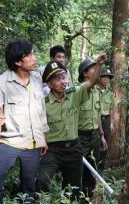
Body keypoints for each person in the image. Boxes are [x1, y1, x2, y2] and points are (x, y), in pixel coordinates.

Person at [36, 52, 107, 201]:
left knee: (73, 189)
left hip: (74, 148)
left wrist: (98, 64)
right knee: (42, 180)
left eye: (63, 77)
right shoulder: (43, 103)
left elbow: (91, 82)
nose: (62, 82)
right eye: (57, 79)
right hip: (52, 149)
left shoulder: (74, 94)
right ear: (48, 84)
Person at [0, 39, 49, 203]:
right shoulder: (4, 81)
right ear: (17, 61)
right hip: (10, 141)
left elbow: (41, 111)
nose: (34, 58)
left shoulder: (36, 79)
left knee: (28, 187)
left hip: (33, 143)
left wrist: (43, 138)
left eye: (33, 53)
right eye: (29, 55)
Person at [77, 59, 108, 198]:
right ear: (85, 73)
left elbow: (97, 115)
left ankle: (88, 198)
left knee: (93, 169)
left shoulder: (96, 91)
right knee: (78, 170)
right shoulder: (79, 91)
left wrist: (101, 136)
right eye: (92, 69)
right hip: (80, 136)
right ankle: (75, 198)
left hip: (94, 136)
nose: (97, 72)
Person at [97, 67, 115, 176]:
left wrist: (112, 122)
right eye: (103, 76)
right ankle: (93, 167)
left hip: (106, 119)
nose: (106, 79)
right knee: (96, 142)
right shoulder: (94, 90)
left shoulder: (110, 92)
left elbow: (112, 108)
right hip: (96, 119)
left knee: (105, 145)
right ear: (99, 77)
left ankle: (101, 169)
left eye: (108, 77)